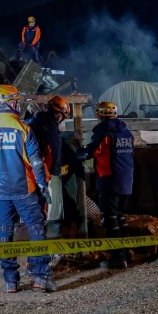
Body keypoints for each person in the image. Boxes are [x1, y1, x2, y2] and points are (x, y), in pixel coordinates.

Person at [0, 84, 54, 293]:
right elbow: (36, 162)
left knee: (5, 234)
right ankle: (41, 278)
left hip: (0, 192)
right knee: (36, 230)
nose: (18, 105)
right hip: (24, 189)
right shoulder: (24, 129)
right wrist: (42, 184)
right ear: (11, 103)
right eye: (17, 101)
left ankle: (11, 281)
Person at [77, 101, 134, 269]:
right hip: (126, 182)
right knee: (120, 217)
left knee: (110, 220)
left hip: (109, 181)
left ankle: (118, 259)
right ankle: (128, 253)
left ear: (99, 114)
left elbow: (90, 152)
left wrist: (78, 152)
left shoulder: (103, 130)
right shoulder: (125, 131)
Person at [23, 95, 72, 283]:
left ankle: (15, 271)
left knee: (17, 224)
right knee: (39, 222)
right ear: (60, 115)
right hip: (38, 182)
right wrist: (58, 170)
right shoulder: (52, 132)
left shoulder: (31, 123)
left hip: (19, 179)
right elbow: (54, 161)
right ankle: (35, 266)